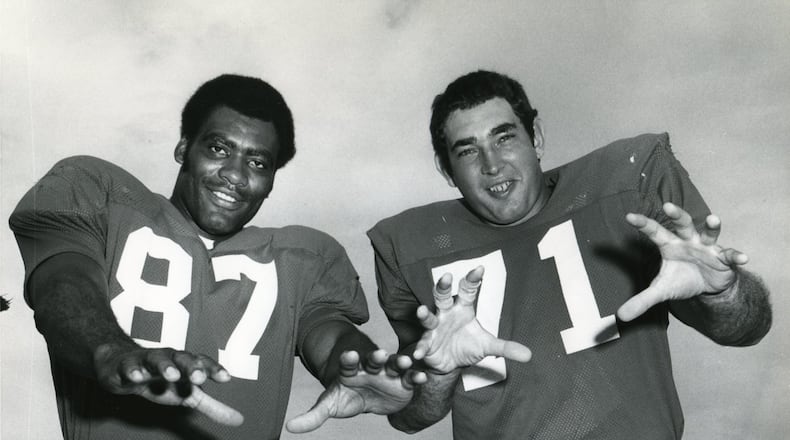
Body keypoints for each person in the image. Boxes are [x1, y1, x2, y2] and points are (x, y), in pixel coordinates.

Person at [9, 73, 425, 440]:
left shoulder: (301, 256)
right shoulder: (100, 193)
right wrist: (110, 349)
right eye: (220, 149)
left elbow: (327, 331)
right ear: (183, 148)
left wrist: (354, 366)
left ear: (271, 182)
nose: (236, 175)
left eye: (258, 162)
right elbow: (62, 280)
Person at [367, 70, 772, 439]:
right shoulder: (411, 250)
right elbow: (409, 416)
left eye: (504, 137)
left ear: (536, 138)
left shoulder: (628, 189)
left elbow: (745, 328)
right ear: (446, 170)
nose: (492, 164)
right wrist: (439, 375)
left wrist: (723, 293)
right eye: (468, 151)